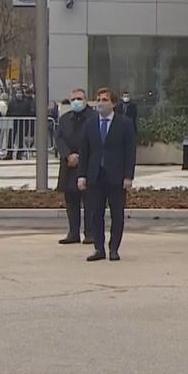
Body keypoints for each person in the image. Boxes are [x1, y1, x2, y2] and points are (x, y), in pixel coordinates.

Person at [77, 88, 137, 262]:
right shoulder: (90, 124)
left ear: (113, 103)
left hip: (116, 176)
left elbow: (130, 151)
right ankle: (99, 248)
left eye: (104, 100)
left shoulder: (124, 123)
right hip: (95, 175)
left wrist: (128, 176)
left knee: (117, 214)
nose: (100, 103)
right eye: (98, 99)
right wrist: (82, 176)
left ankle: (114, 248)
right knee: (96, 214)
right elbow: (85, 151)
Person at [54, 88, 95, 245]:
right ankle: (73, 232)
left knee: (89, 200)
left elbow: (95, 140)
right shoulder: (65, 119)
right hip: (68, 165)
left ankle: (90, 233)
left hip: (86, 164)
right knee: (71, 199)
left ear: (85, 100)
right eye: (73, 99)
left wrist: (80, 156)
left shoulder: (93, 117)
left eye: (79, 98)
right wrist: (67, 155)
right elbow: (59, 138)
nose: (76, 102)